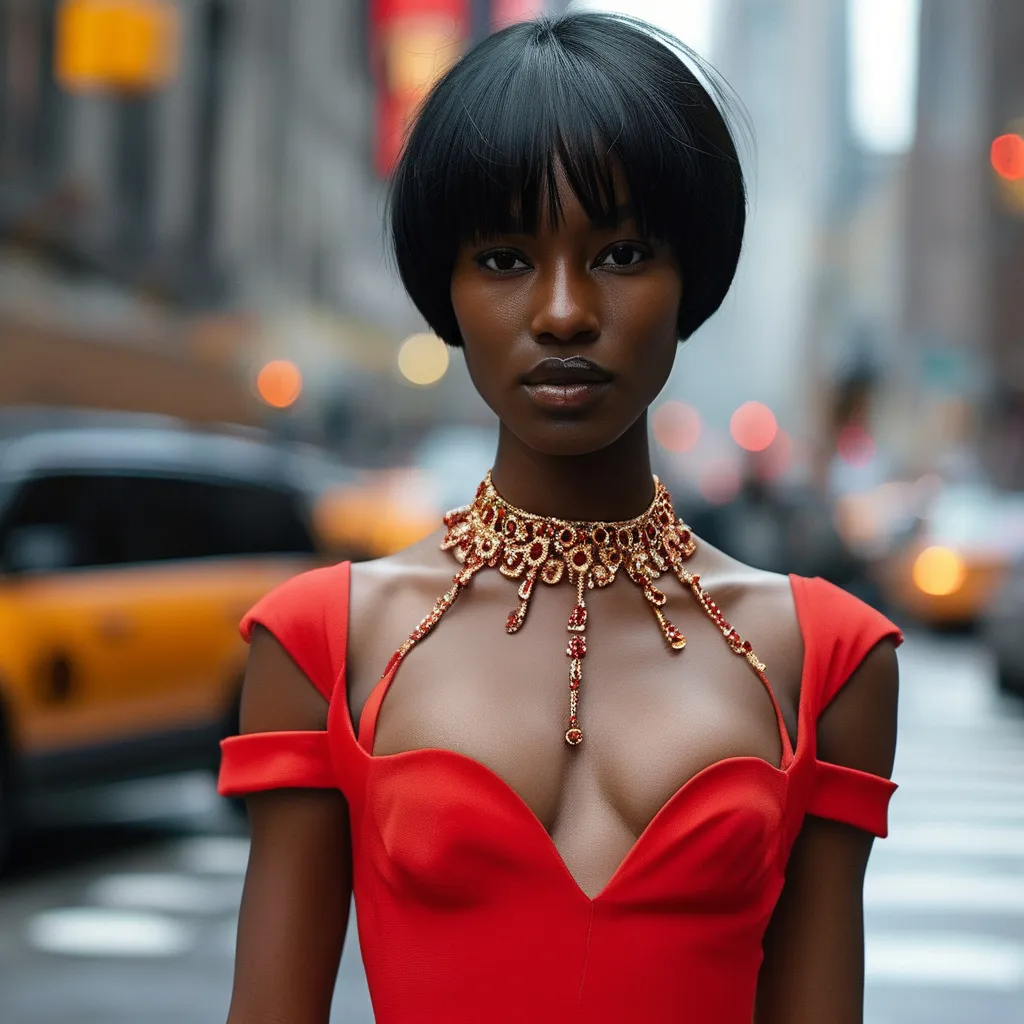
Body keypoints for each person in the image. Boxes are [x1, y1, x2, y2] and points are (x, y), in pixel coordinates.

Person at [219, 12, 901, 1024]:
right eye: (502, 259)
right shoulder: (325, 643)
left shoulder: (826, 661)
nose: (565, 310)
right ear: (444, 288)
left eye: (622, 253)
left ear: (691, 280)